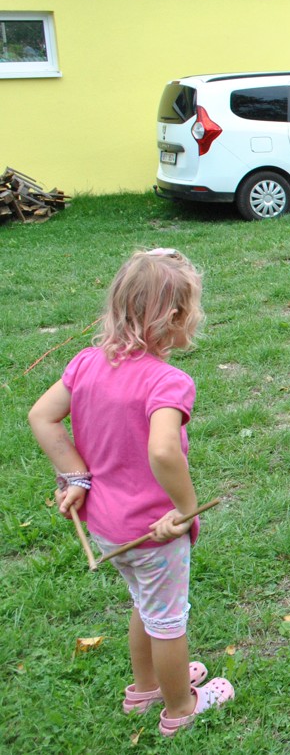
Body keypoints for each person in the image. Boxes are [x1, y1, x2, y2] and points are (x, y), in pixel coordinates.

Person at [27, 248, 235, 738]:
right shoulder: (167, 381)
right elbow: (163, 450)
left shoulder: (86, 363)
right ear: (176, 317)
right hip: (152, 530)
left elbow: (42, 416)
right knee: (168, 620)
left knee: (145, 604)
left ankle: (145, 689)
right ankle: (180, 707)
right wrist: (185, 509)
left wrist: (75, 476)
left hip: (105, 526)